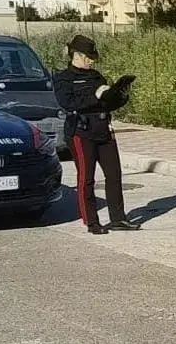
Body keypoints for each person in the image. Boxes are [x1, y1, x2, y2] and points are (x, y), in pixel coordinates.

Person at [53, 34, 138, 235]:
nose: (92, 61)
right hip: (81, 132)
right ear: (77, 55)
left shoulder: (96, 76)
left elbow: (107, 103)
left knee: (114, 174)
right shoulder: (63, 79)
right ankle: (92, 221)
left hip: (103, 128)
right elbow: (69, 104)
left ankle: (118, 218)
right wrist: (95, 96)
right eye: (89, 57)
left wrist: (119, 95)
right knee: (86, 178)